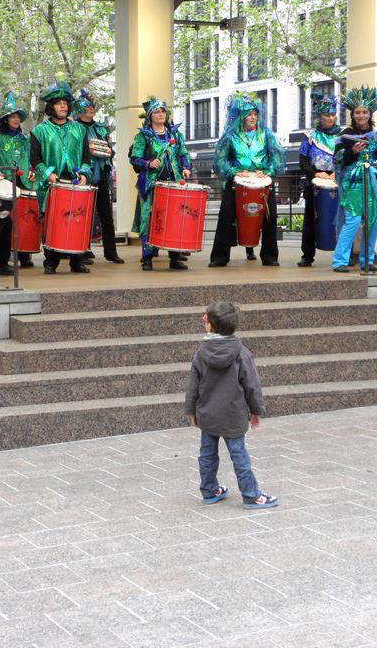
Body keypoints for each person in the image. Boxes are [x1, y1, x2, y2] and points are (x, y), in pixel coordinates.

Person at [185, 301, 279, 509]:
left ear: (209, 325)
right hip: (234, 414)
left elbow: (193, 386)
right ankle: (251, 495)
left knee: (207, 454)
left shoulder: (201, 353)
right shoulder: (241, 352)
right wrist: (256, 410)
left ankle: (210, 490)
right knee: (239, 455)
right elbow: (251, 384)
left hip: (207, 413)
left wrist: (191, 411)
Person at [209, 93, 284, 268]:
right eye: (249, 114)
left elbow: (277, 158)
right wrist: (235, 171)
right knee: (226, 216)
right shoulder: (231, 136)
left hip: (262, 184)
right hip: (236, 183)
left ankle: (270, 256)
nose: (252, 117)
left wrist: (267, 171)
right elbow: (220, 161)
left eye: (255, 114)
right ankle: (220, 256)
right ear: (241, 116)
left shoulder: (266, 134)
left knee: (270, 217)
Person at [30, 81, 92, 275]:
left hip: (74, 182)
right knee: (53, 223)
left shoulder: (79, 129)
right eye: (58, 103)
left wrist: (84, 173)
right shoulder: (39, 131)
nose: (63, 106)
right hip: (52, 184)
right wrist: (47, 174)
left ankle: (77, 261)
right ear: (51, 107)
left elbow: (86, 156)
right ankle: (51, 262)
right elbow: (34, 158)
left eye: (65, 102)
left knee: (76, 221)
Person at [129, 97, 192, 271]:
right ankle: (148, 257)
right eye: (157, 111)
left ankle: (174, 258)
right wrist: (148, 163)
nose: (161, 114)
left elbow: (183, 154)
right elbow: (134, 158)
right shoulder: (143, 136)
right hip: (151, 184)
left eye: (163, 111)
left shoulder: (175, 135)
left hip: (173, 184)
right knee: (149, 220)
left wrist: (186, 167)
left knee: (174, 220)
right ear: (150, 116)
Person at [332, 86, 377, 273]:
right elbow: (337, 161)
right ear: (353, 114)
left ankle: (367, 261)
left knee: (372, 221)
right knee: (353, 221)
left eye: (365, 112)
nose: (361, 115)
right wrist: (352, 152)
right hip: (352, 184)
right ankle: (340, 261)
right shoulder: (344, 135)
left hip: (371, 183)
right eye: (358, 112)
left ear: (370, 114)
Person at [0, 91, 36, 270]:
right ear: (5, 120)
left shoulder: (26, 139)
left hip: (24, 184)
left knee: (24, 220)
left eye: (17, 117)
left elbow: (32, 160)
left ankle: (25, 255)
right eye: (12, 117)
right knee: (4, 223)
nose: (15, 120)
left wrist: (32, 172)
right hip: (4, 185)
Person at [73, 89, 124, 265]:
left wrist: (108, 151)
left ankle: (111, 252)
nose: (91, 109)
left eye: (92, 106)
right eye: (87, 107)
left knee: (106, 215)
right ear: (80, 109)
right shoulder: (74, 129)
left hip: (101, 175)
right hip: (82, 177)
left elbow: (109, 149)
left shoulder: (100, 128)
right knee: (82, 215)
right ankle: (82, 251)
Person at [298, 94, 341, 267]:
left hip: (337, 180)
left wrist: (336, 174)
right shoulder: (310, 136)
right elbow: (302, 162)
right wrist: (315, 174)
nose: (330, 118)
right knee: (310, 220)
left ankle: (345, 254)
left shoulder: (342, 136)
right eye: (326, 116)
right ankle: (307, 255)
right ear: (320, 117)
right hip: (315, 182)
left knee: (342, 220)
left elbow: (347, 160)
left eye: (332, 115)